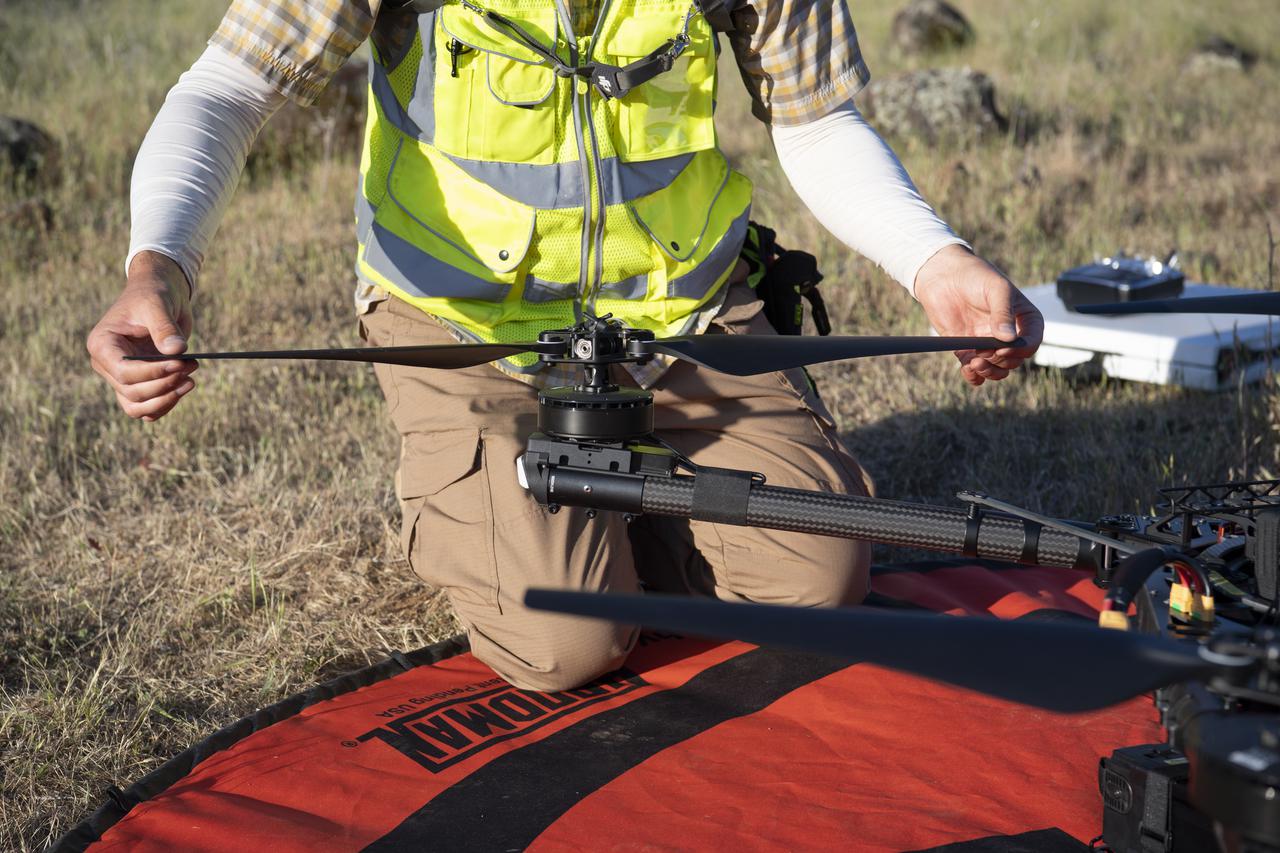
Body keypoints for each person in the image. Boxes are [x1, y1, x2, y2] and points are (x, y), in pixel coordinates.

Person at [86, 0, 1044, 691]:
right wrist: (157, 266)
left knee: (817, 585)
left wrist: (935, 260)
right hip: (469, 336)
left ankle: (615, 503)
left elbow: (815, 117)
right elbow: (227, 87)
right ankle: (515, 507)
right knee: (569, 642)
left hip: (684, 320)